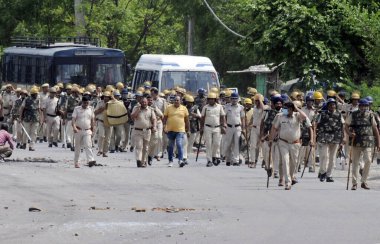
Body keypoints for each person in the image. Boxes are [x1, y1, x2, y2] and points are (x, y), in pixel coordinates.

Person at [269, 101, 307, 190]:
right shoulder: (280, 116)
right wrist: (271, 139)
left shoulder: (297, 116)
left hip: (295, 143)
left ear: (292, 109)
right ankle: (287, 182)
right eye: (286, 109)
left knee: (294, 162)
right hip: (283, 142)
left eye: (290, 109)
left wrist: (297, 108)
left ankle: (291, 176)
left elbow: (304, 117)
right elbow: (274, 128)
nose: (288, 111)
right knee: (285, 161)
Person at [345, 99, 380, 190]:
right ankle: (354, 183)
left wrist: (378, 143)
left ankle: (364, 181)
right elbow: (346, 126)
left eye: (366, 106)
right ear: (359, 106)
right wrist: (349, 134)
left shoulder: (371, 115)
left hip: (368, 142)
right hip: (356, 141)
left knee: (368, 160)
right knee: (355, 163)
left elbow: (375, 129)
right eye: (362, 106)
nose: (364, 108)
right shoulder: (353, 114)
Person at [314, 98, 347, 182]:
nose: (332, 106)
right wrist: (314, 136)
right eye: (330, 105)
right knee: (324, 156)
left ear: (335, 105)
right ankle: (322, 172)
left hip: (335, 137)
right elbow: (316, 125)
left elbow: (342, 126)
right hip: (324, 137)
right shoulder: (322, 114)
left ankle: (329, 175)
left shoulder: (339, 114)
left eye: (333, 104)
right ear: (327, 106)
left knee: (332, 158)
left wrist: (344, 137)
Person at [163, 95, 190, 167]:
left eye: (178, 100)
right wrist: (164, 126)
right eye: (175, 100)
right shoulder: (168, 108)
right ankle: (170, 161)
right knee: (170, 146)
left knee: (179, 144)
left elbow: (187, 120)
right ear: (173, 101)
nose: (176, 101)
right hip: (170, 130)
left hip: (180, 130)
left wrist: (188, 129)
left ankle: (180, 160)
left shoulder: (184, 108)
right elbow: (165, 118)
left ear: (180, 101)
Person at [200, 92, 226, 167]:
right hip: (207, 127)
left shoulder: (219, 107)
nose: (211, 100)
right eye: (209, 99)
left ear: (215, 100)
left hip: (217, 127)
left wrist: (223, 125)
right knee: (208, 144)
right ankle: (209, 160)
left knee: (216, 143)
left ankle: (215, 156)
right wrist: (201, 127)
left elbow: (222, 116)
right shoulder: (205, 107)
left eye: (212, 99)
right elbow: (202, 118)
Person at [131, 97, 156, 167]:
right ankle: (138, 160)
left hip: (147, 131)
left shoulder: (150, 109)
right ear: (140, 102)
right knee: (139, 146)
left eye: (145, 102)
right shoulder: (136, 108)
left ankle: (144, 161)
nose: (144, 103)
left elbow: (154, 119)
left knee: (146, 148)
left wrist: (154, 127)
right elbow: (132, 117)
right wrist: (138, 110)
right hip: (138, 131)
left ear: (147, 102)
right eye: (142, 102)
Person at [72, 95, 96, 168]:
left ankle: (90, 160)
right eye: (84, 103)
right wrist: (74, 127)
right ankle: (77, 162)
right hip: (78, 130)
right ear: (82, 102)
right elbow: (73, 120)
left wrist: (93, 128)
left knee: (88, 145)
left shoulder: (91, 109)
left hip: (87, 130)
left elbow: (92, 120)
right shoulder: (77, 109)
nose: (86, 104)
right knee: (78, 147)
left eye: (87, 103)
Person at [223, 92, 245, 166]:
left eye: (235, 99)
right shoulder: (227, 106)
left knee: (236, 144)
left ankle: (236, 160)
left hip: (238, 127)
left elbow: (242, 118)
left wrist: (244, 128)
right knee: (228, 144)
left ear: (238, 99)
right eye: (232, 99)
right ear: (230, 99)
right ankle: (228, 159)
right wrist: (224, 124)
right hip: (229, 127)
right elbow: (224, 116)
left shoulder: (241, 107)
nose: (234, 100)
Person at [248, 94, 265, 168]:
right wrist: (249, 124)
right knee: (252, 145)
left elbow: (264, 109)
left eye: (258, 101)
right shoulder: (254, 108)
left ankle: (255, 159)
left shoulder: (264, 108)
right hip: (254, 128)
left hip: (260, 128)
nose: (256, 102)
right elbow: (253, 117)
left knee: (258, 146)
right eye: (256, 101)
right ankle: (252, 161)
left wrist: (260, 100)